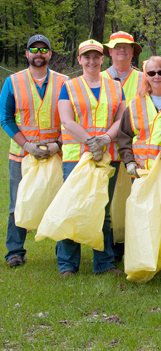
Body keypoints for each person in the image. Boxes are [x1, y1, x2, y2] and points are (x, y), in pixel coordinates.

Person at [57, 39, 127, 277]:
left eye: (96, 56)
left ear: (102, 59)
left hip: (107, 155)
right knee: (72, 206)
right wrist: (90, 141)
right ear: (79, 60)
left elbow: (121, 119)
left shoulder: (115, 87)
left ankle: (104, 263)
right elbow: (67, 120)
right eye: (86, 57)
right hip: (77, 155)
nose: (92, 61)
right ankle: (67, 264)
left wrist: (106, 138)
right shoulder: (69, 86)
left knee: (103, 208)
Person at [0, 34, 68, 267]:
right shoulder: (13, 81)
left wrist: (58, 143)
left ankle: (64, 253)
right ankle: (14, 252)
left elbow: (71, 118)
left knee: (59, 201)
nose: (38, 53)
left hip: (56, 154)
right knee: (16, 204)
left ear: (50, 54)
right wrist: (26, 145)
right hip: (22, 154)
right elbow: (6, 118)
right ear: (27, 53)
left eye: (43, 49)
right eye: (34, 49)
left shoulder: (64, 82)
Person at [117, 56, 161, 175]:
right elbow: (124, 136)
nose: (156, 76)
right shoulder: (135, 105)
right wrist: (129, 161)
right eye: (152, 73)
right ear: (146, 76)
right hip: (141, 172)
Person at [101, 31, 144, 104]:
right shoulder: (99, 78)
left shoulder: (144, 79)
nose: (122, 50)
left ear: (132, 51)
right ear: (110, 51)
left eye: (126, 47)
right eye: (117, 46)